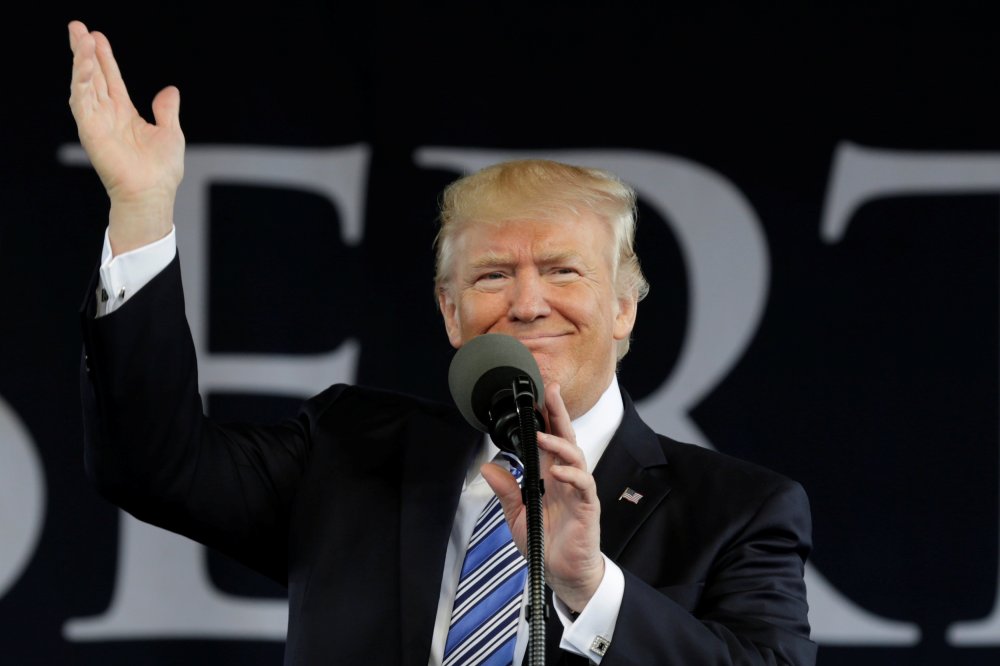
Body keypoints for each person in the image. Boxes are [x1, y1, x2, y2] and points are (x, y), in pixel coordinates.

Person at [68, 18, 817, 666]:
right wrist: (141, 209)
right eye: (493, 275)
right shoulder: (348, 452)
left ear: (624, 307)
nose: (527, 303)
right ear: (451, 313)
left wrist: (591, 589)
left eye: (562, 270)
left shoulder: (739, 510)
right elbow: (151, 464)